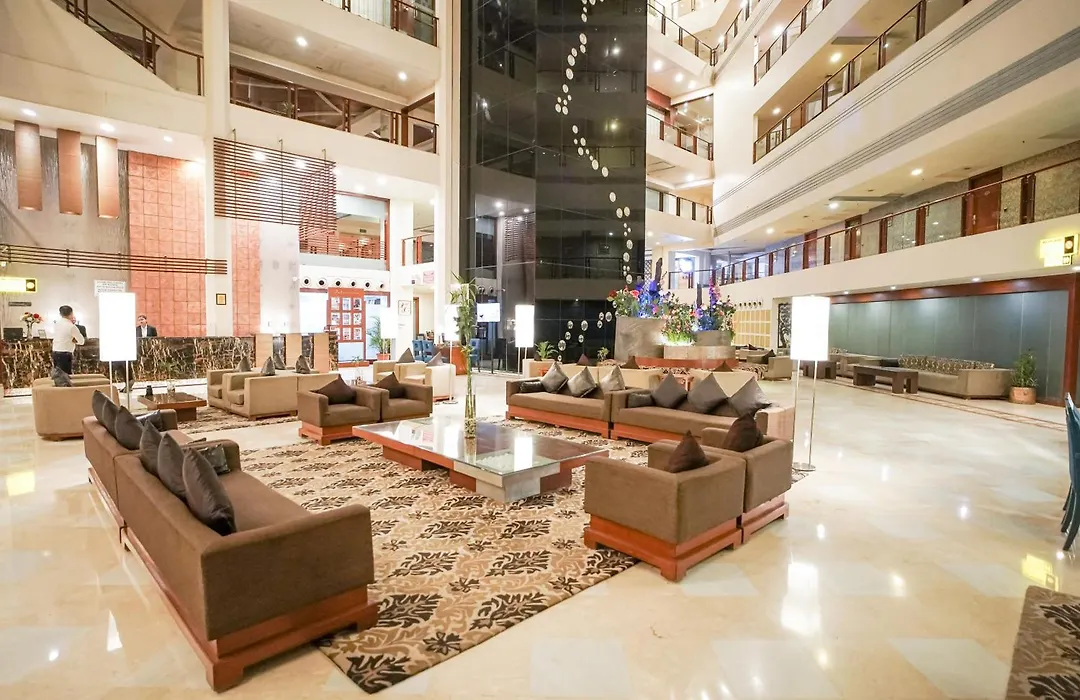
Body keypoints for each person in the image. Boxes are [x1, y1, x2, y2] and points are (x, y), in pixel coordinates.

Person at [52, 305, 85, 375]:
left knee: (58, 376)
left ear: (60, 314)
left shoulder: (56, 324)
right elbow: (81, 341)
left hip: (55, 352)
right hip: (65, 354)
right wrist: (74, 340)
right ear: (71, 313)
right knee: (65, 376)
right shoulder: (71, 326)